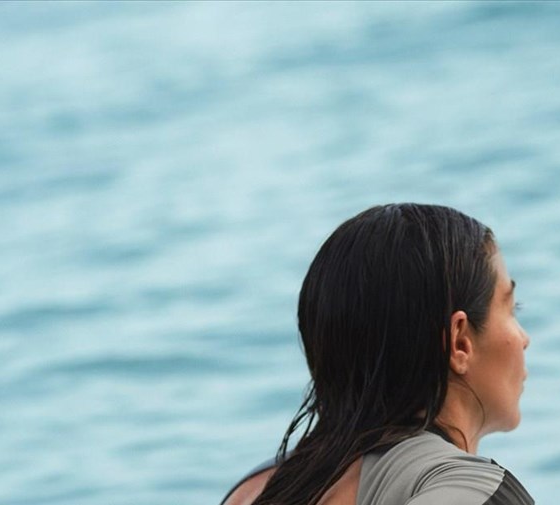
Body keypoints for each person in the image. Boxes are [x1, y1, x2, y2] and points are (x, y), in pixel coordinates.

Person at [222, 203, 533, 505]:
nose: (524, 339)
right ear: (459, 341)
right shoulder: (476, 491)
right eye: (510, 308)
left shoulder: (256, 489)